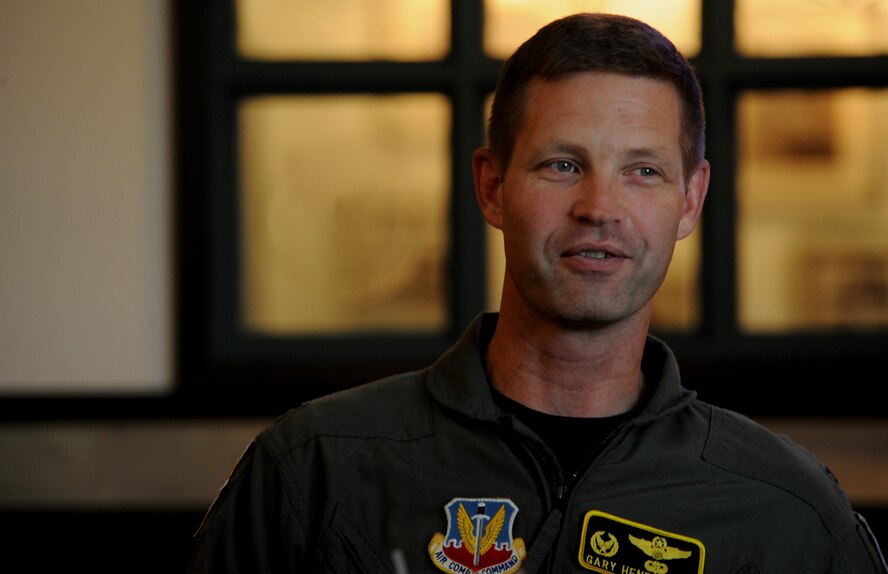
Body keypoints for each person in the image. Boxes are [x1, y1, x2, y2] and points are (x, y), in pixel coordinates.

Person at [187, 13, 887, 574]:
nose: (599, 208)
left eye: (643, 171)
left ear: (691, 200)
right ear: (492, 186)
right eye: (562, 165)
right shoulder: (316, 469)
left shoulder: (785, 508)